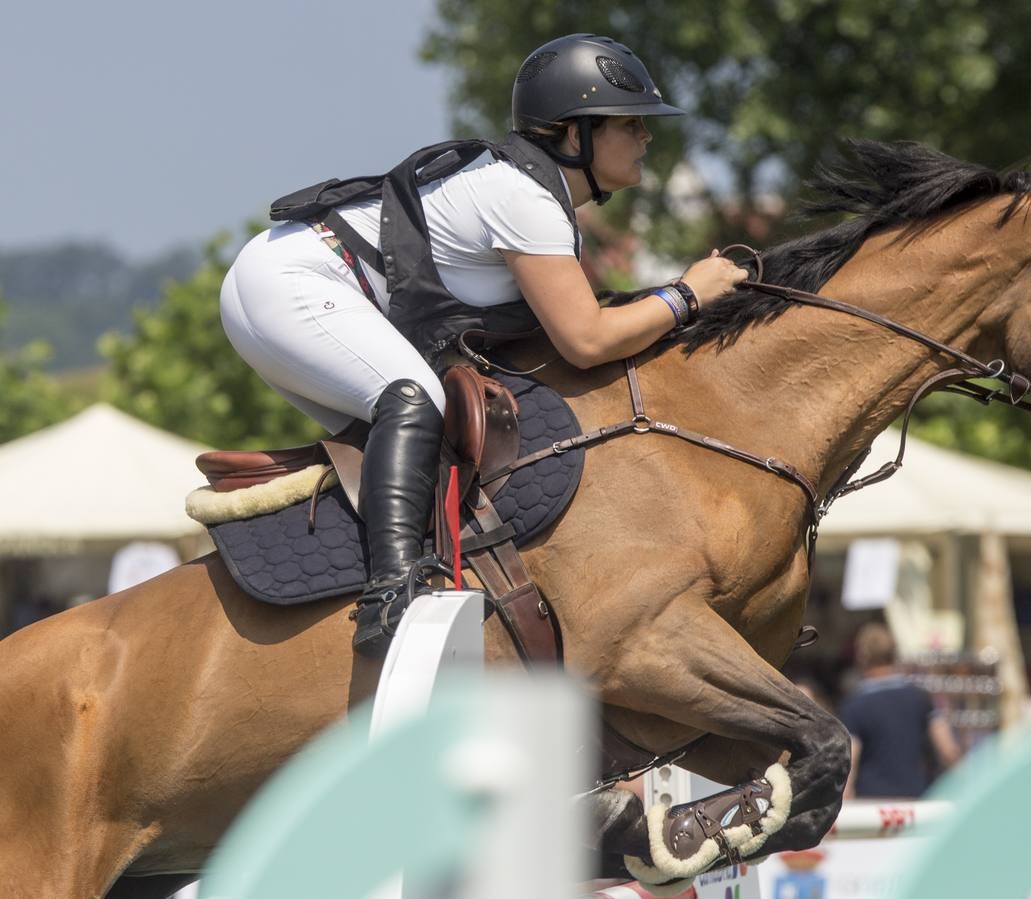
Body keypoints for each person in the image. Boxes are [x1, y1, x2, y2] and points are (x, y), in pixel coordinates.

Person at [218, 34, 747, 655]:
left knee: (421, 449)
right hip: (295, 280)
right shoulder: (524, 199)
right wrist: (688, 292)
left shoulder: (532, 194)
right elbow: (585, 340)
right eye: (630, 124)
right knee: (414, 401)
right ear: (574, 135)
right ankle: (391, 601)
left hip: (297, 286)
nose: (646, 137)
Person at [839, 622, 960, 799]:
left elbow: (850, 764)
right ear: (894, 654)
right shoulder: (919, 697)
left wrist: (846, 808)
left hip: (872, 808)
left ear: (862, 658)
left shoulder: (855, 705)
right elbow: (947, 749)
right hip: (915, 801)